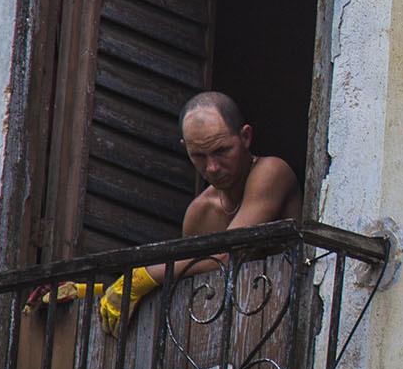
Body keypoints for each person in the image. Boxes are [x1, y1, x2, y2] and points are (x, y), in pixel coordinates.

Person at [38, 91, 300, 334]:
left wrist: (143, 276)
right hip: (236, 338)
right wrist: (102, 293)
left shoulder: (271, 171)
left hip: (288, 325)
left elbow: (231, 250)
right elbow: (190, 286)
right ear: (185, 147)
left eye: (222, 151)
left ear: (245, 137)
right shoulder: (200, 212)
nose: (212, 167)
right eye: (198, 155)